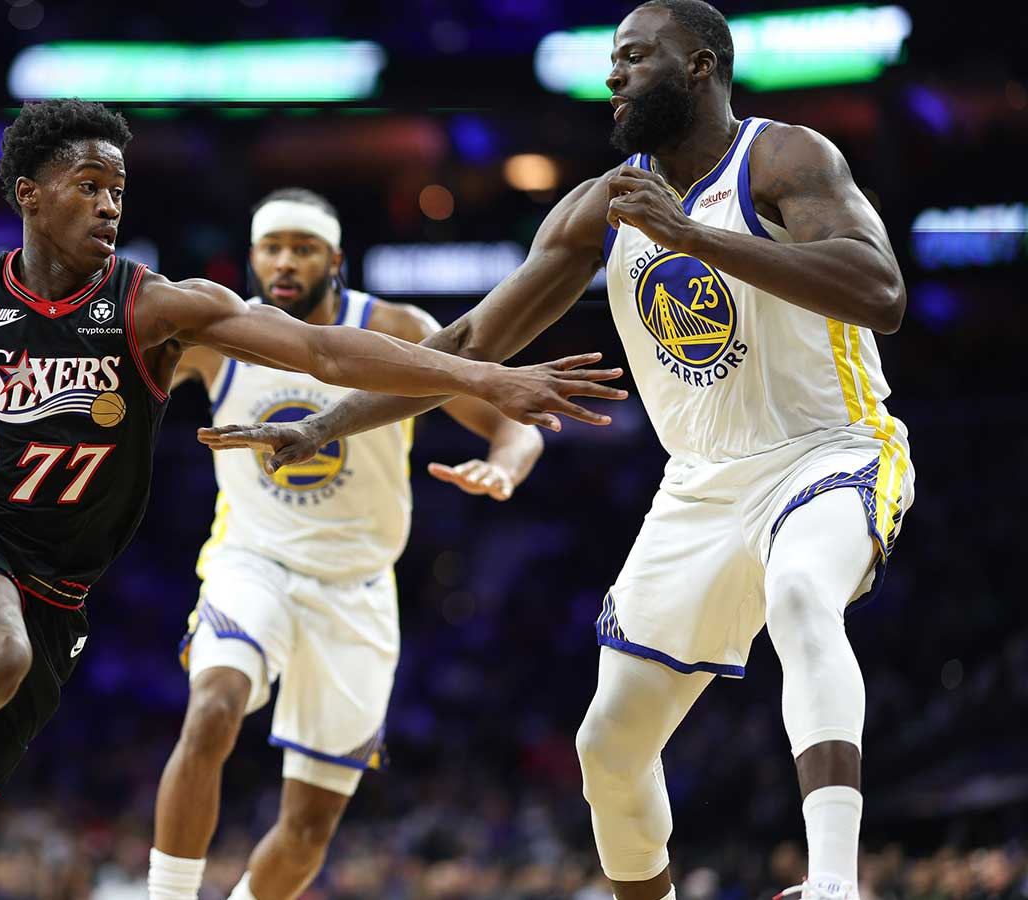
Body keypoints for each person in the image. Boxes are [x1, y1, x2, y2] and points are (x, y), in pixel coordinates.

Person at [0, 98, 624, 900]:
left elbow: (327, 353)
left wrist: (487, 383)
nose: (108, 202)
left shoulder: (155, 308)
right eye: (88, 184)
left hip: (61, 596)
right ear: (28, 193)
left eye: (118, 190)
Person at [199, 4, 915, 900]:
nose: (613, 77)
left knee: (803, 593)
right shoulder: (600, 206)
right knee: (607, 749)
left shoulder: (785, 157)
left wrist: (695, 237)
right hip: (699, 488)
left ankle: (836, 883)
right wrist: (321, 426)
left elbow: (880, 290)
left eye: (634, 58)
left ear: (700, 66)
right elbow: (465, 343)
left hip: (828, 450)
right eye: (610, 60)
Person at [148, 188, 545, 900]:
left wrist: (504, 467)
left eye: (302, 249)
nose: (285, 263)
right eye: (272, 248)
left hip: (357, 588)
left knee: (308, 830)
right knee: (212, 706)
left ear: (335, 259)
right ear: (252, 259)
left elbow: (514, 421)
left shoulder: (395, 327)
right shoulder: (216, 341)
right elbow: (116, 385)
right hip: (253, 562)